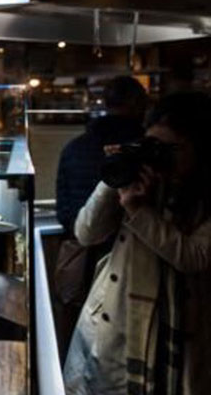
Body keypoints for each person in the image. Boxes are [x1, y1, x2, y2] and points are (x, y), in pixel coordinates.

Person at [62, 92, 211, 395]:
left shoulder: (203, 199)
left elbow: (194, 256)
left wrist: (139, 212)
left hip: (174, 337)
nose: (159, 157)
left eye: (169, 149)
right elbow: (86, 233)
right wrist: (114, 177)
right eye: (152, 145)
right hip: (112, 330)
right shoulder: (140, 179)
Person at [53, 76, 148, 345]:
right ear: (137, 104)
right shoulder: (145, 150)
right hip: (135, 262)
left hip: (81, 263)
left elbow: (65, 211)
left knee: (78, 340)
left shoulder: (74, 147)